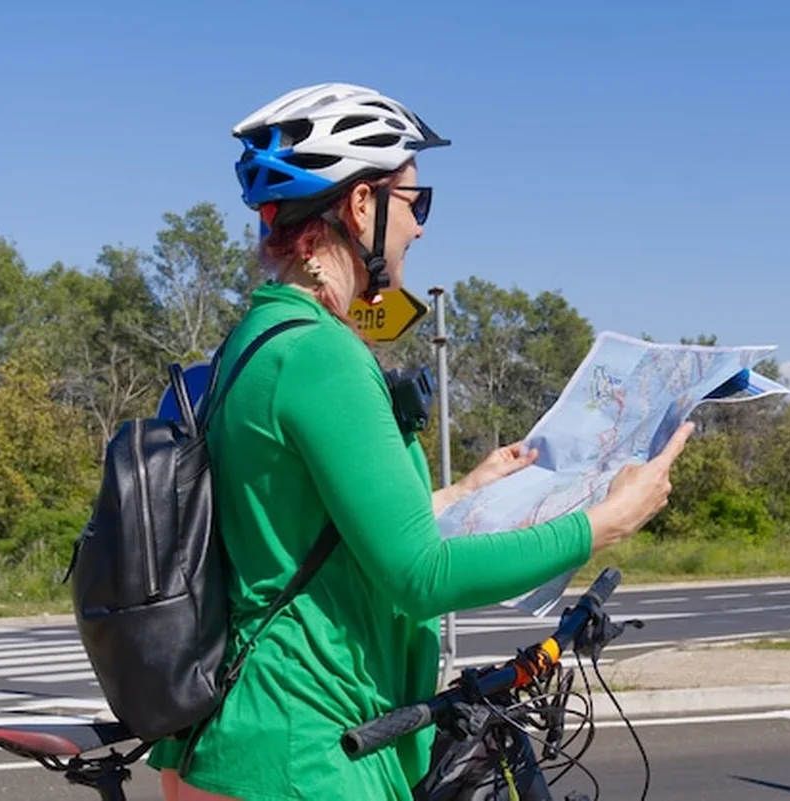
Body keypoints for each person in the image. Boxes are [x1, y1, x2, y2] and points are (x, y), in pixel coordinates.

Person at [146, 82, 694, 801]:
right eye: (415, 201)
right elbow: (419, 575)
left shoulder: (254, 343)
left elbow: (300, 530)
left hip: (232, 740)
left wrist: (462, 491)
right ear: (361, 205)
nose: (422, 228)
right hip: (308, 752)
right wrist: (605, 522)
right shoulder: (321, 355)